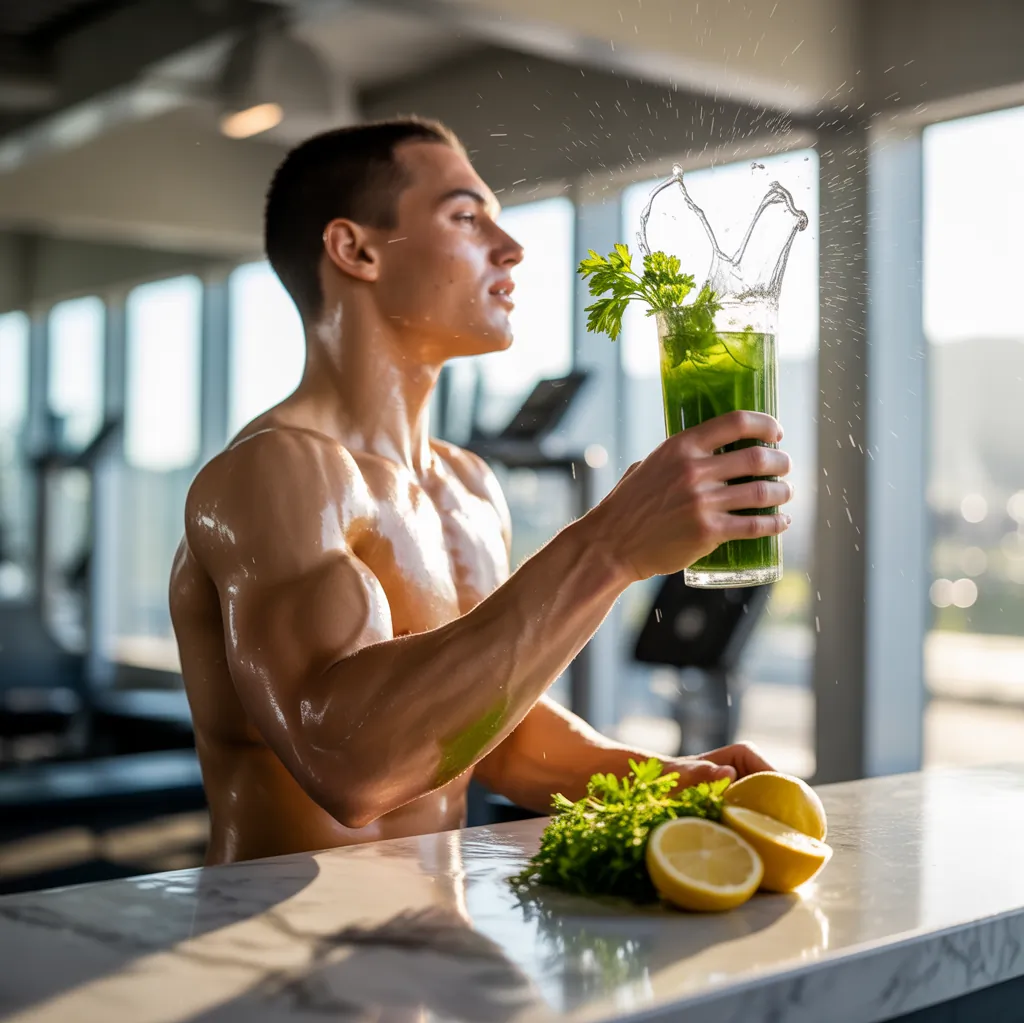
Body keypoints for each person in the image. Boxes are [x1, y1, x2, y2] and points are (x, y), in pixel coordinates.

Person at [169, 117, 793, 865]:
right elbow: (349, 765)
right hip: (279, 933)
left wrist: (677, 782)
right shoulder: (276, 474)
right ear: (356, 250)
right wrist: (609, 547)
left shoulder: (467, 485)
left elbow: (494, 734)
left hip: (439, 928)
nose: (512, 246)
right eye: (466, 217)